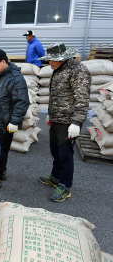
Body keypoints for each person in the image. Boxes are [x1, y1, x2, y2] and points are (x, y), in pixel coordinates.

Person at [38, 43, 91, 202]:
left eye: (53, 60)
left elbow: (82, 99)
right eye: (49, 60)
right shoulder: (59, 69)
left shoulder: (78, 71)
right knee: (55, 150)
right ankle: (55, 176)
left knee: (65, 153)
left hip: (68, 121)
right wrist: (50, 114)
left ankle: (65, 185)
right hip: (56, 118)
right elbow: (57, 95)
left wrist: (76, 122)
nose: (50, 63)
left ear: (63, 58)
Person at [0, 49, 30, 192]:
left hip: (6, 122)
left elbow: (22, 102)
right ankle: (0, 171)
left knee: (0, 150)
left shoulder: (16, 78)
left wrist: (14, 122)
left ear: (3, 62)